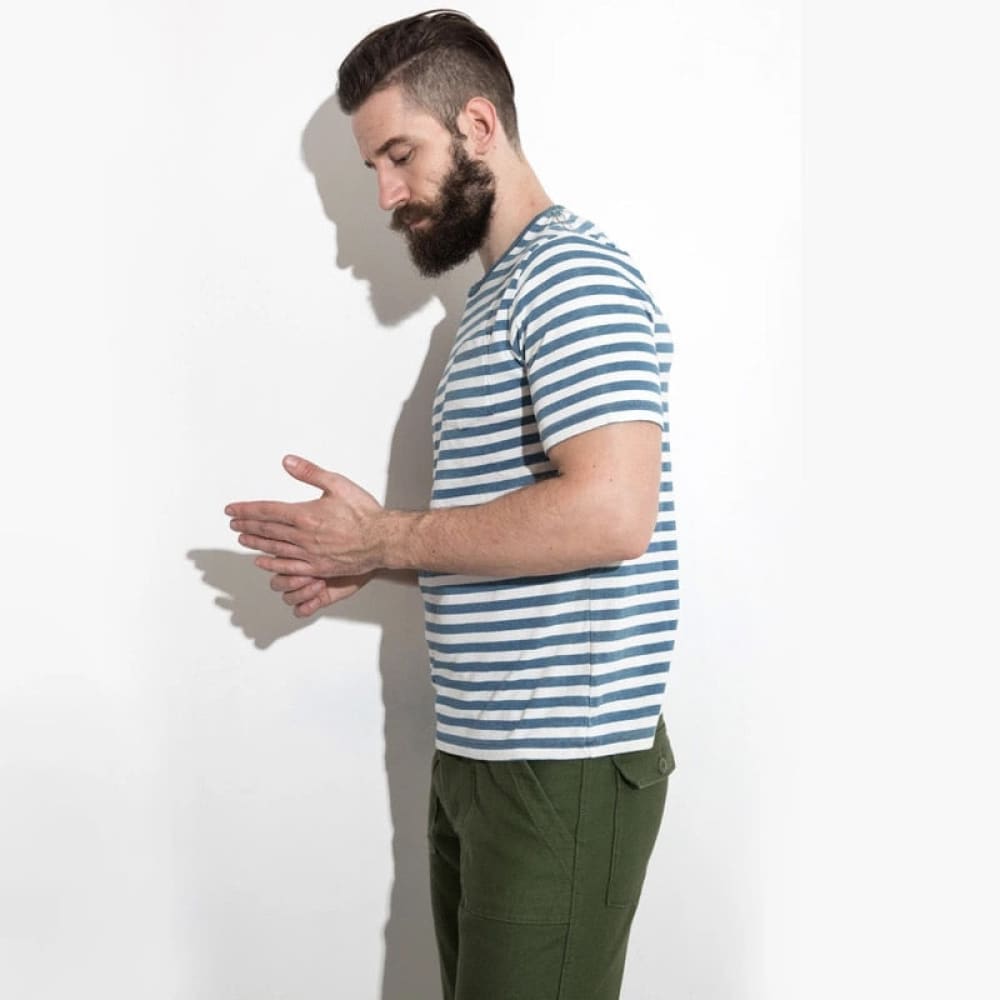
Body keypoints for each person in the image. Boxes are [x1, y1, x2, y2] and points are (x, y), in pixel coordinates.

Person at [225, 10, 679, 999]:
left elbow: (613, 512)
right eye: (373, 169)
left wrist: (385, 536)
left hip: (561, 763)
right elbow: (528, 525)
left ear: (478, 125)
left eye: (399, 155)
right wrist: (365, 554)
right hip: (483, 756)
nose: (385, 195)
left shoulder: (571, 278)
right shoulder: (494, 302)